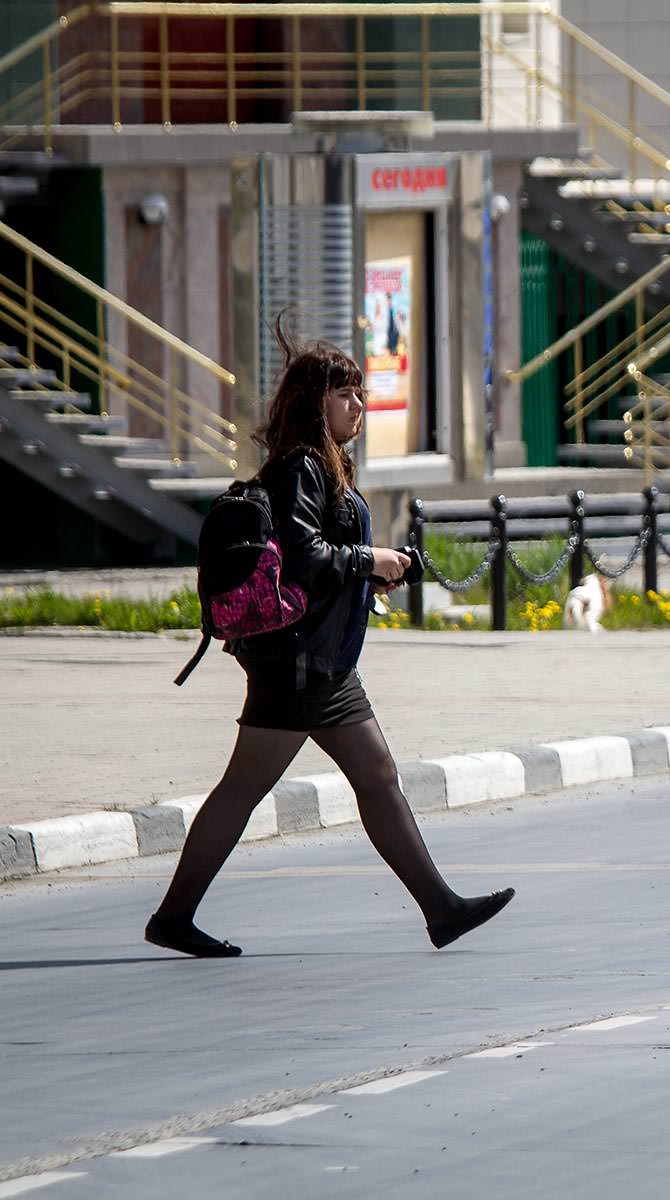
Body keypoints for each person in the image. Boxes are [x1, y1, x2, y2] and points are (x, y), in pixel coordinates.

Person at [146, 321, 514, 958]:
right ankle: (175, 915)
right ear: (312, 402)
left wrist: (366, 576)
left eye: (361, 395)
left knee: (370, 775)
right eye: (345, 395)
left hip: (318, 659)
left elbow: (317, 564)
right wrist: (369, 561)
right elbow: (304, 555)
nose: (358, 407)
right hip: (300, 662)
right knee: (267, 786)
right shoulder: (300, 468)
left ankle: (441, 908)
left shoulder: (323, 467)